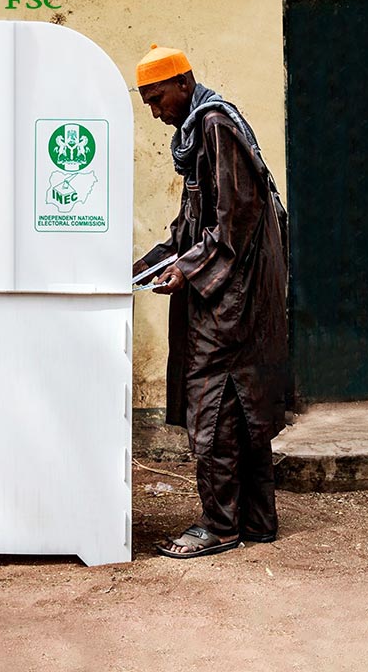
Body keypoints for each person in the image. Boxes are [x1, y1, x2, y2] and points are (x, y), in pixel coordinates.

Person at [132, 44, 288, 559]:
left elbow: (236, 217)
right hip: (238, 293)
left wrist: (188, 270)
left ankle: (220, 526)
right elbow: (194, 224)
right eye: (147, 102)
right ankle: (257, 520)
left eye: (157, 99)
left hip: (231, 297)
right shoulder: (200, 130)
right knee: (244, 401)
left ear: (183, 83)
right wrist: (147, 264)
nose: (155, 112)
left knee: (213, 401)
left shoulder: (214, 125)